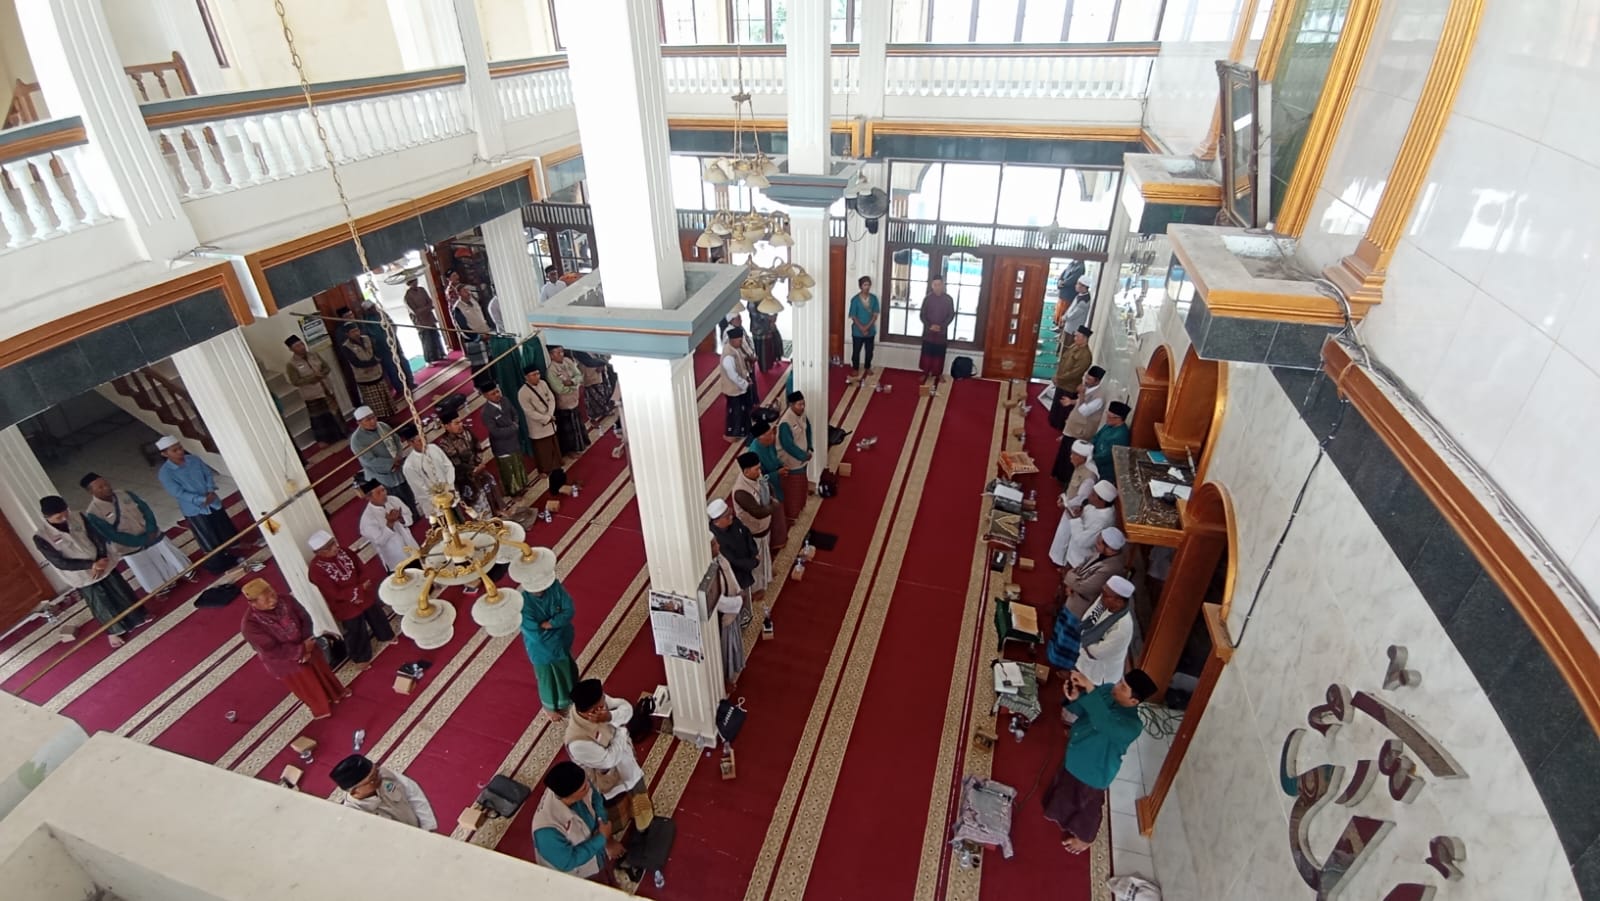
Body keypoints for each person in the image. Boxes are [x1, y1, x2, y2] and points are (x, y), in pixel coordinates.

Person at [1044, 667, 1157, 853]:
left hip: (1095, 770)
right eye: (1121, 682)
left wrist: (1090, 689)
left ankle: (1085, 839)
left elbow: (1104, 723)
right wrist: (1075, 698)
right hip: (1076, 753)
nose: (1116, 686)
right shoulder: (1107, 691)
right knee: (1065, 789)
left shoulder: (1132, 726)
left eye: (1123, 687)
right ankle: (1058, 814)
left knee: (1088, 808)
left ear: (1134, 701)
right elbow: (1087, 710)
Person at [35, 495, 147, 646]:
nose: (64, 518)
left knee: (121, 591)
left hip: (102, 562)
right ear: (47, 517)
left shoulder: (78, 516)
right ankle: (114, 632)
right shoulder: (41, 537)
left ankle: (138, 616)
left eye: (65, 512)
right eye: (58, 517)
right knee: (101, 603)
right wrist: (92, 565)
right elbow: (59, 562)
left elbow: (97, 537)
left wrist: (101, 558)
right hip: (81, 573)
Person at [240, 578, 347, 719]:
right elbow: (272, 650)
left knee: (322, 671)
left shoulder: (285, 599)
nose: (273, 600)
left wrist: (307, 644)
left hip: (307, 644)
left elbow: (305, 619)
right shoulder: (250, 625)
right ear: (253, 603)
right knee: (306, 684)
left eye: (273, 594)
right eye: (267, 599)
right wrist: (301, 651)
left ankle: (336, 694)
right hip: (285, 660)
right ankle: (321, 709)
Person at [80, 473, 193, 595]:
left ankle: (187, 573)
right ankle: (161, 589)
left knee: (169, 554)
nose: (106, 487)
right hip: (130, 546)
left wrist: (151, 529)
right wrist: (141, 540)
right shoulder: (93, 513)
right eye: (100, 487)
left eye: (106, 483)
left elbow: (146, 509)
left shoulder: (124, 494)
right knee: (146, 568)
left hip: (151, 534)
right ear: (91, 492)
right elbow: (111, 535)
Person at [156, 436, 251, 574]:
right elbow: (177, 492)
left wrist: (210, 491)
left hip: (212, 500)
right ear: (165, 454)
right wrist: (200, 499)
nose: (180, 451)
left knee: (223, 524)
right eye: (174, 450)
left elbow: (208, 475)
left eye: (180, 447)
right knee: (208, 535)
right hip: (195, 508)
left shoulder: (193, 459)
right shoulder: (165, 473)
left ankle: (234, 543)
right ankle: (220, 561)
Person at [305, 529, 394, 664]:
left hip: (363, 591)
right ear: (319, 552)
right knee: (356, 630)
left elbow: (361, 567)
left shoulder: (344, 551)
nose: (335, 548)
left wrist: (362, 587)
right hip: (344, 604)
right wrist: (357, 591)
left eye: (333, 543)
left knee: (376, 615)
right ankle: (361, 658)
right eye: (329, 547)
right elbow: (332, 592)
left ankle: (386, 635)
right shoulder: (316, 570)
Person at [565, 679, 646, 819]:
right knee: (620, 816)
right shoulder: (578, 743)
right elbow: (609, 760)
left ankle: (644, 820)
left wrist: (611, 716)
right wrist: (621, 731)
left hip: (628, 766)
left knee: (642, 805)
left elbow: (627, 708)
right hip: (610, 784)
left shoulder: (599, 703)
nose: (606, 700)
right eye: (602, 701)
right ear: (592, 711)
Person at [531, 760, 622, 881]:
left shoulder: (579, 782)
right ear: (569, 796)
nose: (588, 787)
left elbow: (596, 799)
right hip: (581, 872)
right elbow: (568, 862)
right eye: (584, 788)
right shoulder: (547, 832)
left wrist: (604, 832)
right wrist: (601, 838)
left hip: (597, 851)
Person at [520, 547, 579, 720]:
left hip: (562, 642)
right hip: (543, 651)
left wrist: (551, 624)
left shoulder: (553, 586)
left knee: (568, 672)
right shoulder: (523, 605)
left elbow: (569, 610)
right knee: (548, 680)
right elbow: (536, 636)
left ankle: (571, 698)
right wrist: (557, 624)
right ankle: (550, 708)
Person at [331, 754, 438, 831]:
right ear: (355, 791)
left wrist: (427, 827)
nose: (379, 777)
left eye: (376, 771)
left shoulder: (384, 775)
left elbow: (413, 793)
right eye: (372, 779)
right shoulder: (355, 815)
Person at [349, 407, 419, 517]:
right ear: (359, 422)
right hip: (381, 479)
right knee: (394, 507)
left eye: (373, 417)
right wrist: (391, 463)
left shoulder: (383, 426)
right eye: (368, 420)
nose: (373, 421)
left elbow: (396, 440)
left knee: (409, 499)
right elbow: (369, 460)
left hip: (399, 472)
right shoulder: (356, 440)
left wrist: (398, 456)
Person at [436, 404, 504, 515]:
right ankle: (486, 519)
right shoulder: (445, 443)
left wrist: (478, 463)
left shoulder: (467, 432)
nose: (460, 425)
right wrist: (473, 470)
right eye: (456, 423)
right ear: (447, 426)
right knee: (478, 498)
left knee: (490, 482)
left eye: (460, 422)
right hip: (464, 477)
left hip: (477, 468)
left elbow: (477, 446)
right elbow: (456, 463)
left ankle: (498, 511)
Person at [731, 451, 780, 601]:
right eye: (756, 469)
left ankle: (767, 574)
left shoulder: (756, 477)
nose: (760, 471)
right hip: (752, 532)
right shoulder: (741, 491)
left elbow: (768, 487)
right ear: (746, 471)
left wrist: (771, 497)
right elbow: (758, 512)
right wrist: (774, 506)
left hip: (764, 527)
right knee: (756, 561)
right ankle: (756, 589)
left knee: (765, 553)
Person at [283, 335, 345, 444]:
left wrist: (321, 374)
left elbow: (326, 367)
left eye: (301, 344)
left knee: (335, 412)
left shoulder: (314, 355)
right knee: (321, 418)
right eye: (297, 346)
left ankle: (343, 433)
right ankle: (328, 440)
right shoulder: (291, 364)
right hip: (312, 394)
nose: (301, 347)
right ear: (291, 349)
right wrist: (313, 378)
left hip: (325, 388)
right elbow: (296, 381)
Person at [1077, 575, 1136, 686]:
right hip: (1085, 659)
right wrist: (1088, 638)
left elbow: (1097, 653)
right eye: (1103, 592)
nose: (1101, 596)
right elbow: (1086, 619)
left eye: (1106, 595)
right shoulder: (1103, 601)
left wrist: (1085, 639)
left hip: (1100, 674)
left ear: (1119, 601)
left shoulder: (1122, 628)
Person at [708, 498, 758, 626]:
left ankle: (747, 615)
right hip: (735, 575)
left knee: (747, 597)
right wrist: (752, 563)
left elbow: (746, 533)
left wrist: (754, 552)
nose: (731, 517)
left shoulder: (733, 521)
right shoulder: (716, 539)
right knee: (739, 600)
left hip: (746, 565)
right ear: (717, 521)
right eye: (727, 516)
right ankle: (741, 620)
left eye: (730, 513)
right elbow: (733, 561)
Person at [1061, 527, 1127, 618]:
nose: (1095, 544)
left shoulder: (1110, 568)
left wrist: (1069, 577)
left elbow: (1083, 588)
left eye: (1099, 543)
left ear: (1109, 548)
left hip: (1079, 610)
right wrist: (1071, 584)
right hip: (1072, 598)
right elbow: (1080, 567)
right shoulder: (1101, 553)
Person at [479, 382, 529, 496]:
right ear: (485, 396)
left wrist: (515, 423)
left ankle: (522, 486)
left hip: (514, 441)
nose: (497, 395)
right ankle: (513, 493)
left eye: (497, 391)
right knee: (508, 470)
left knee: (518, 464)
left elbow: (515, 414)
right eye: (493, 394)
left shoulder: (505, 400)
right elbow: (495, 432)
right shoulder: (486, 412)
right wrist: (513, 428)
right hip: (502, 446)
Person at [1055, 480, 1119, 569]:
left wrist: (1076, 519)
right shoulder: (1098, 506)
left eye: (1093, 495)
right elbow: (1086, 513)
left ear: (1102, 501)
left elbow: (1083, 542)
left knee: (1070, 575)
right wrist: (1080, 512)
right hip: (1073, 551)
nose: (1089, 496)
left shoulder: (1102, 522)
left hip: (1079, 559)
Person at [398, 422, 454, 520]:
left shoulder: (434, 448)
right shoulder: (409, 465)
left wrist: (450, 486)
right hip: (435, 507)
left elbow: (448, 466)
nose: (424, 442)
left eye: (424, 438)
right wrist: (440, 497)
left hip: (450, 495)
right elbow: (420, 489)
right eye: (419, 440)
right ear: (411, 443)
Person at [339, 322, 396, 418]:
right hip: (365, 378)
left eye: (357, 330)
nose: (356, 333)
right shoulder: (346, 346)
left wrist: (375, 361)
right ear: (347, 334)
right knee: (376, 406)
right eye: (352, 332)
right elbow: (355, 362)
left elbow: (377, 352)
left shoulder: (367, 338)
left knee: (386, 401)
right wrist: (373, 362)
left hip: (377, 373)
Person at [712, 536, 747, 691]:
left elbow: (729, 573)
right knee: (724, 651)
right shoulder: (707, 571)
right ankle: (724, 680)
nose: (718, 545)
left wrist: (739, 591)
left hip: (734, 607)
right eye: (714, 544)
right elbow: (717, 602)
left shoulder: (719, 558)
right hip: (723, 618)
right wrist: (738, 601)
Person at [747, 422, 789, 548]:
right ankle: (776, 542)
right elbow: (759, 479)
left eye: (772, 433)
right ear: (760, 438)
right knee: (775, 514)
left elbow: (774, 456)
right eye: (769, 434)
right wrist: (777, 473)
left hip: (775, 481)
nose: (773, 436)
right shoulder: (755, 453)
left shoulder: (769, 443)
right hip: (766, 488)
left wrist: (780, 466)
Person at [359, 297, 413, 392]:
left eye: (374, 306)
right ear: (367, 310)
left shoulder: (382, 314)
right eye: (371, 308)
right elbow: (368, 336)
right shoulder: (366, 321)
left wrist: (392, 335)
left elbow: (392, 325)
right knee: (392, 368)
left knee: (402, 362)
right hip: (382, 349)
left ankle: (410, 382)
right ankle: (400, 388)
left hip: (393, 343)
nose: (374, 308)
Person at [358, 481, 415, 571]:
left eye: (383, 490)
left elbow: (409, 518)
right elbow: (380, 541)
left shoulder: (393, 500)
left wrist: (401, 519)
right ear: (369, 497)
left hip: (412, 548)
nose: (383, 494)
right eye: (378, 493)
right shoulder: (367, 519)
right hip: (397, 560)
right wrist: (390, 523)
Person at [517, 364, 562, 477]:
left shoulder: (543, 383)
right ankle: (544, 470)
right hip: (538, 425)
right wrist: (546, 418)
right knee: (542, 449)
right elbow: (529, 411)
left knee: (553, 445)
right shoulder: (523, 392)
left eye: (538, 373)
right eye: (533, 375)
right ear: (526, 377)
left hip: (550, 420)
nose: (537, 376)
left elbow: (551, 399)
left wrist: (550, 414)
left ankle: (557, 465)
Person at [547, 345, 590, 456]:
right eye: (557, 352)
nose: (561, 354)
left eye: (561, 351)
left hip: (574, 399)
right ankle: (570, 451)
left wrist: (572, 382)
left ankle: (581, 444)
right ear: (551, 355)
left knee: (577, 424)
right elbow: (559, 389)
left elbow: (579, 376)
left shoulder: (567, 361)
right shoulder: (551, 370)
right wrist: (574, 386)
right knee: (568, 430)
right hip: (564, 403)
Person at [776, 391, 813, 520]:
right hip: (792, 462)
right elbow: (788, 446)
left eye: (803, 404)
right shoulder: (785, 423)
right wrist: (803, 456)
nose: (802, 407)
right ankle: (791, 515)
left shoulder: (802, 414)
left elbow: (808, 430)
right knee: (793, 490)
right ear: (791, 405)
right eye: (799, 404)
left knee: (801, 487)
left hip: (802, 459)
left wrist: (810, 447)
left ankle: (799, 508)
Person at [448, 270, 492, 370]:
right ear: (458, 294)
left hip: (486, 333)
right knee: (480, 368)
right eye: (465, 291)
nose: (468, 292)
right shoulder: (457, 308)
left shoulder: (473, 300)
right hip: (475, 340)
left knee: (491, 362)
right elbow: (463, 327)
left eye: (468, 290)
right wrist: (478, 337)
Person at [919, 276, 957, 385]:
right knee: (926, 354)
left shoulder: (948, 299)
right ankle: (925, 373)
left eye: (939, 284)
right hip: (929, 332)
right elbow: (922, 315)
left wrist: (942, 326)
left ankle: (938, 374)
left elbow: (951, 315)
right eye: (935, 285)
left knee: (939, 355)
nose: (937, 287)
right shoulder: (927, 299)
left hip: (941, 332)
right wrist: (929, 325)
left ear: (943, 285)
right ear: (932, 286)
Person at [719, 327, 754, 439]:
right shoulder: (728, 356)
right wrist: (745, 384)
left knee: (742, 410)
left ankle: (744, 430)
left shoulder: (735, 349)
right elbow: (733, 375)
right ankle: (733, 433)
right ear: (732, 340)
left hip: (739, 387)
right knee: (736, 412)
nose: (741, 342)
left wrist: (747, 377)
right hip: (733, 389)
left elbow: (741, 366)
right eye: (739, 340)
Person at [403, 277, 446, 364]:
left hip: (429, 317)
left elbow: (430, 301)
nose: (415, 283)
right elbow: (415, 311)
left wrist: (428, 307)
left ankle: (440, 354)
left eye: (415, 281)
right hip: (420, 321)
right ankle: (430, 359)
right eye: (412, 282)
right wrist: (427, 308)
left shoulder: (422, 290)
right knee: (427, 340)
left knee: (435, 336)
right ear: (409, 284)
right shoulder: (407, 296)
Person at [572, 350, 618, 424]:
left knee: (602, 393)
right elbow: (586, 361)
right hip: (587, 375)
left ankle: (605, 409)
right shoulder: (578, 350)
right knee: (590, 398)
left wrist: (602, 364)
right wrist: (601, 363)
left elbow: (601, 355)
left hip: (598, 374)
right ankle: (593, 418)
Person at [1063, 366, 1107, 442]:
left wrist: (1082, 393)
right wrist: (1071, 401)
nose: (1085, 381)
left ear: (1097, 381)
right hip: (1072, 427)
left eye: (1089, 379)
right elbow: (1082, 401)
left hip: (1080, 433)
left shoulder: (1099, 398)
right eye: (1086, 377)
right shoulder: (1088, 387)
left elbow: (1084, 411)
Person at [1093, 402, 1133, 480]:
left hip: (1105, 471)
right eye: (1107, 415)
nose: (1107, 418)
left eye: (1110, 417)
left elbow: (1107, 456)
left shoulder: (1121, 435)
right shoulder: (1108, 425)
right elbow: (1095, 438)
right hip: (1094, 462)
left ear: (1119, 418)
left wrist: (1090, 458)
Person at [1058, 440, 1099, 514]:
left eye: (1074, 454)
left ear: (1083, 458)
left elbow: (1081, 498)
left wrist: (1065, 504)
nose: (1071, 456)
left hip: (1075, 511)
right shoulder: (1080, 466)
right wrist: (1064, 496)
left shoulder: (1089, 477)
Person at [1054, 326, 1093, 405]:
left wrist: (1059, 378)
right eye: (1075, 336)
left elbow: (1074, 373)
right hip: (1061, 382)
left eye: (1077, 336)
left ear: (1085, 338)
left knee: (1061, 409)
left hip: (1069, 387)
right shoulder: (1074, 345)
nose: (1075, 338)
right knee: (1055, 407)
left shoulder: (1085, 355)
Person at [849, 276, 880, 373]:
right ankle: (855, 368)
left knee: (869, 351)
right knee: (856, 351)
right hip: (857, 331)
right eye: (865, 285)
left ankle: (867, 367)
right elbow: (853, 316)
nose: (867, 287)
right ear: (860, 286)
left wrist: (867, 328)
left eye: (868, 285)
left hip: (870, 331)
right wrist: (862, 328)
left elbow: (875, 315)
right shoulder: (855, 300)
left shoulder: (874, 299)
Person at [748, 300, 783, 372]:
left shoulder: (761, 298)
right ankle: (764, 368)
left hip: (766, 327)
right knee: (763, 352)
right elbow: (756, 314)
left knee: (772, 346)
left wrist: (774, 315)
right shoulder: (752, 301)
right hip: (759, 329)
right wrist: (770, 318)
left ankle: (773, 361)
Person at [1058, 277, 1092, 342]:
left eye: (1078, 284)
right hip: (1069, 326)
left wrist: (1064, 318)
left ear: (1084, 286)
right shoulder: (1080, 295)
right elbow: (1071, 308)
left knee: (1067, 344)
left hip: (1073, 329)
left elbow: (1073, 315)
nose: (1075, 285)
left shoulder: (1084, 301)